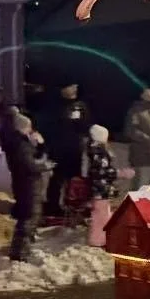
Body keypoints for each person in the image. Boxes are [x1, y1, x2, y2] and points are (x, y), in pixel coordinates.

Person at [39, 83, 90, 219]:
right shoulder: (54, 105)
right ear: (63, 89)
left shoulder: (80, 105)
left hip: (74, 149)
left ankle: (72, 205)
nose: (74, 90)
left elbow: (85, 125)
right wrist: (46, 146)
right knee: (56, 179)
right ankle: (52, 206)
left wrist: (82, 130)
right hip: (57, 148)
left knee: (73, 179)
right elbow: (47, 126)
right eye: (71, 87)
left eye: (76, 87)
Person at [6, 113, 50, 261]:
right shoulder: (21, 145)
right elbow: (30, 165)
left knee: (27, 215)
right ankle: (22, 252)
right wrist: (46, 166)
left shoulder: (19, 142)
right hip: (28, 185)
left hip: (23, 183)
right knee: (30, 216)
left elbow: (35, 157)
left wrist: (40, 145)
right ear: (25, 127)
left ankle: (18, 249)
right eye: (29, 126)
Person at [122, 88, 150, 190]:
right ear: (141, 95)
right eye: (147, 94)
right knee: (140, 186)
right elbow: (130, 130)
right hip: (141, 156)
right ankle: (135, 205)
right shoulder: (135, 111)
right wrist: (145, 137)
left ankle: (148, 205)